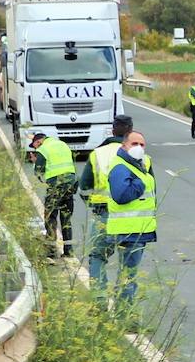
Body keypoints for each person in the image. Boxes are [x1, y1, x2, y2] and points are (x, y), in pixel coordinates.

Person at [79, 113, 135, 298]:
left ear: (112, 130)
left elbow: (84, 187)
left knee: (97, 256)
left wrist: (93, 204)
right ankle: (125, 309)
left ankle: (100, 301)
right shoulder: (137, 154)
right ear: (131, 131)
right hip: (130, 218)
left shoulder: (97, 154)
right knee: (127, 263)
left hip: (104, 215)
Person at [106, 131, 157, 312]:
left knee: (128, 274)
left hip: (138, 230)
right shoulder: (121, 167)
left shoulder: (138, 165)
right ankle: (124, 316)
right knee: (129, 276)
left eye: (142, 145)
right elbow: (121, 195)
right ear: (124, 146)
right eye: (134, 144)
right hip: (128, 231)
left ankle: (123, 313)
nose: (138, 148)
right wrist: (141, 183)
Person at [29, 132, 77, 260]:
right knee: (66, 217)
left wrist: (35, 161)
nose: (36, 150)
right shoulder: (62, 144)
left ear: (38, 141)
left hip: (56, 185)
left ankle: (51, 252)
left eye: (35, 147)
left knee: (50, 216)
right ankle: (69, 251)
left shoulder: (44, 149)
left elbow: (38, 172)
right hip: (71, 183)